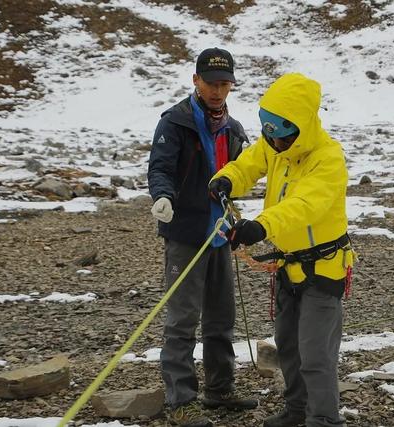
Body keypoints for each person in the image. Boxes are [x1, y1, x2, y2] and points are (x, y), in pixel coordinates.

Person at [210, 73, 353, 427]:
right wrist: (227, 178)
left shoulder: (328, 158)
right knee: (287, 345)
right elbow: (249, 164)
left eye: (280, 133)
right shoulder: (274, 146)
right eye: (267, 132)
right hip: (289, 268)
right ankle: (296, 410)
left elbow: (306, 204)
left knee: (316, 354)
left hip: (324, 268)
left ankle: (324, 419)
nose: (272, 142)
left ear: (300, 126)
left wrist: (261, 226)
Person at [147, 47, 258, 427]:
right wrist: (162, 197)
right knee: (182, 319)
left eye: (225, 84)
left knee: (221, 317)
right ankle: (181, 400)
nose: (217, 90)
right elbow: (160, 167)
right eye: (211, 83)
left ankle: (219, 390)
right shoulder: (175, 123)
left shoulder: (234, 129)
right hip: (185, 233)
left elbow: (242, 174)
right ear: (196, 80)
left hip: (220, 234)